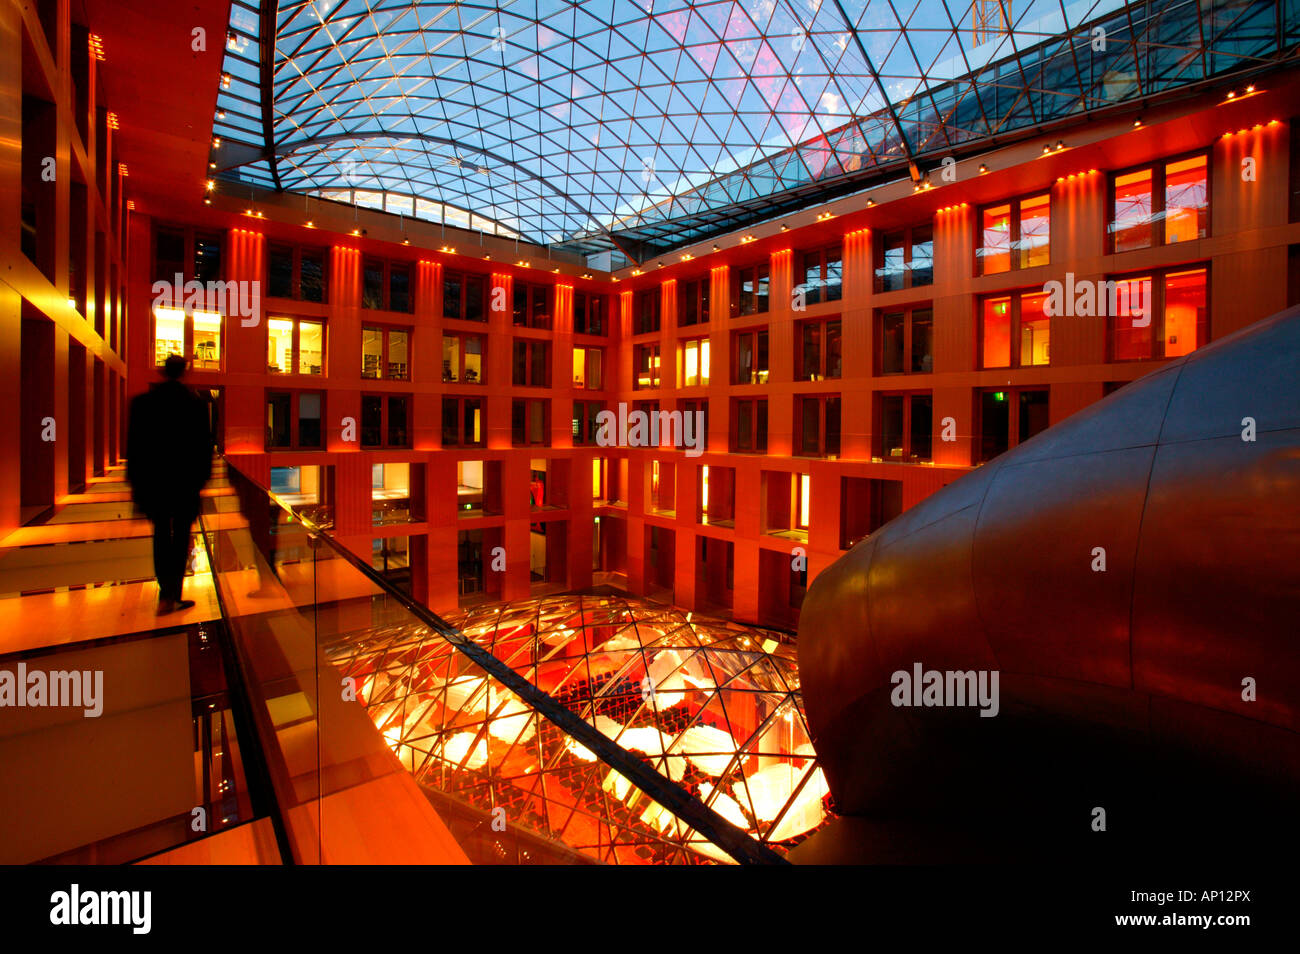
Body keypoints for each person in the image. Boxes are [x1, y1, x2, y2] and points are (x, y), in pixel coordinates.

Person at [126, 355, 214, 613]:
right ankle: (173, 593)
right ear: (184, 373)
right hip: (185, 484)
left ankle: (165, 593)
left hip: (154, 484)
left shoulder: (143, 403)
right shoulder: (195, 404)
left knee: (161, 536)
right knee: (181, 539)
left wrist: (135, 483)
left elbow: (135, 447)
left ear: (162, 372)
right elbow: (203, 448)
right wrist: (201, 481)